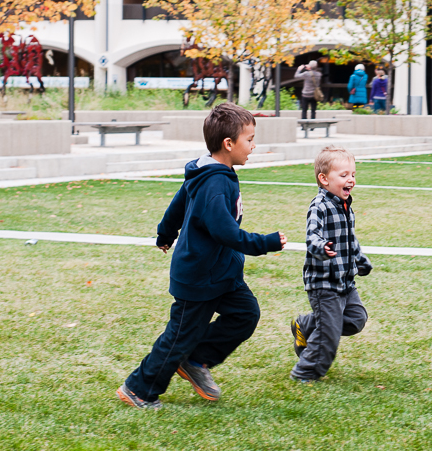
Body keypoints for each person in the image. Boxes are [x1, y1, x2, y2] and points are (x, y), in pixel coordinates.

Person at [117, 103, 287, 409]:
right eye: (249, 139)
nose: (253, 145)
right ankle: (139, 389)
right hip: (200, 276)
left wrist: (166, 232)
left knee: (246, 314)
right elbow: (225, 232)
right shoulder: (214, 182)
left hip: (222, 272)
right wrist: (266, 242)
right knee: (179, 336)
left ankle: (196, 360)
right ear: (228, 144)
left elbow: (178, 203)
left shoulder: (212, 171)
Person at [290, 146, 372, 382]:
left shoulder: (346, 206)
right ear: (324, 179)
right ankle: (305, 372)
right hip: (324, 284)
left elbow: (349, 238)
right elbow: (312, 236)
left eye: (353, 174)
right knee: (329, 334)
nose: (351, 180)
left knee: (356, 319)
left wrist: (359, 259)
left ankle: (306, 325)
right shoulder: (320, 206)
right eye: (344, 175)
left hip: (345, 281)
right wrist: (321, 247)